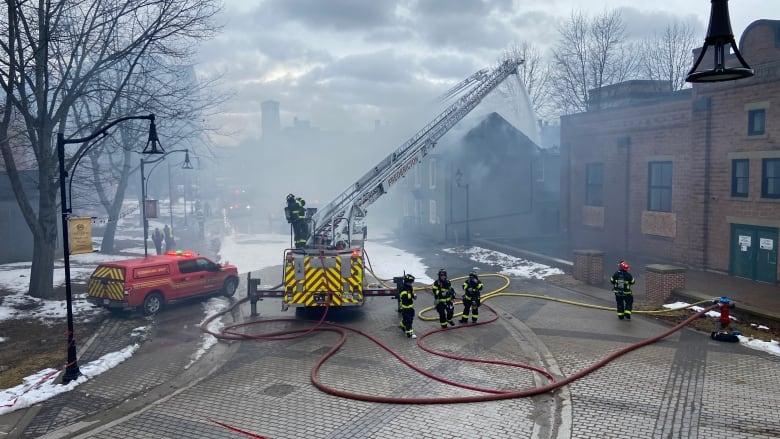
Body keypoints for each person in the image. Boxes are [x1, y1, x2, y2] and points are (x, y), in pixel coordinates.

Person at [398, 274, 418, 339]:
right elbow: (405, 297)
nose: (412, 283)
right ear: (407, 281)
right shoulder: (402, 288)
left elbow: (411, 294)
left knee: (410, 318)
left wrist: (414, 296)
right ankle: (409, 333)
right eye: (411, 282)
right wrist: (411, 295)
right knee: (408, 320)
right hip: (405, 307)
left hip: (410, 306)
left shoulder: (410, 287)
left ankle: (402, 325)